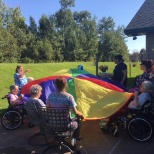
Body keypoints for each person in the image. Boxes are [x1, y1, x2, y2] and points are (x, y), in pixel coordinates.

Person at [46, 77, 84, 146]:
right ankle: (75, 139)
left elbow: (47, 108)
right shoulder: (69, 97)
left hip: (52, 124)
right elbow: (76, 113)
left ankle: (58, 137)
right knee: (78, 119)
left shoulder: (50, 96)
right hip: (66, 125)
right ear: (65, 85)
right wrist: (82, 115)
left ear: (55, 85)